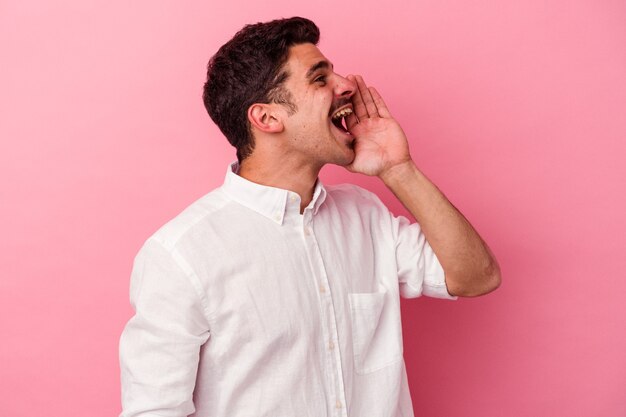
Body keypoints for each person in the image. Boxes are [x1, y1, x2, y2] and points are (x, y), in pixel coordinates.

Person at [119, 16, 501, 417]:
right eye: (320, 79)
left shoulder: (366, 216)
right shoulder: (181, 255)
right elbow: (154, 409)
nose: (346, 85)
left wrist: (397, 168)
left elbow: (477, 276)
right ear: (267, 118)